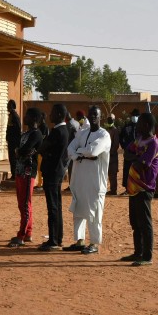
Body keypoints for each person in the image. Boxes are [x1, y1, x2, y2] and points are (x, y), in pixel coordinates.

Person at [66, 105, 111, 254]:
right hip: (79, 178)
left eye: (95, 115)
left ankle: (94, 243)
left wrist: (79, 153)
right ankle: (80, 240)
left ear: (100, 117)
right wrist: (78, 153)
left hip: (95, 181)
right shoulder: (82, 133)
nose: (92, 117)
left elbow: (94, 151)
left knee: (94, 213)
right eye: (90, 114)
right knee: (78, 210)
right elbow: (70, 149)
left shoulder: (104, 135)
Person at [123, 112, 158, 266]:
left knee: (145, 222)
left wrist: (134, 158)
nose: (136, 126)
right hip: (133, 186)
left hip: (145, 187)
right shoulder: (139, 139)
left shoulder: (153, 143)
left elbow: (143, 164)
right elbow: (126, 153)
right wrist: (135, 158)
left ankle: (147, 256)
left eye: (139, 123)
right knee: (135, 222)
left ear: (146, 125)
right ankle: (137, 252)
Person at [8, 107, 44, 248]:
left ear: (34, 119)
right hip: (20, 171)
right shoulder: (27, 133)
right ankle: (27, 232)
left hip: (28, 172)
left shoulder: (37, 134)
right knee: (22, 203)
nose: (25, 118)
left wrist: (20, 152)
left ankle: (22, 235)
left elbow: (24, 150)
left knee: (25, 204)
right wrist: (20, 152)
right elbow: (19, 150)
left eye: (28, 116)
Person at [37, 104, 71, 251]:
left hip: (52, 172)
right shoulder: (63, 130)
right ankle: (57, 238)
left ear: (58, 114)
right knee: (56, 206)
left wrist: (44, 152)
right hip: (57, 171)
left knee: (53, 207)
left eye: (52, 113)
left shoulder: (57, 132)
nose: (49, 115)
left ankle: (53, 240)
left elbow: (43, 147)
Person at [119, 108, 139, 193]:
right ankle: (127, 188)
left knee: (136, 171)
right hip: (128, 153)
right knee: (127, 170)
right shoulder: (127, 126)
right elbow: (121, 137)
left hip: (138, 154)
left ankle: (136, 188)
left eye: (135, 115)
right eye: (133, 115)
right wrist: (124, 146)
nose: (134, 117)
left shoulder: (141, 127)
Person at [104, 113, 120, 195]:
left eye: (111, 119)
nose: (109, 120)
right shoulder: (107, 130)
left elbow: (116, 144)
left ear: (113, 120)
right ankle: (111, 189)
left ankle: (114, 190)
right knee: (108, 173)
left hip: (112, 155)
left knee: (113, 173)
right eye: (108, 119)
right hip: (107, 154)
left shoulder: (115, 130)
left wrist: (111, 153)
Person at [5, 99, 22, 181]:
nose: (7, 107)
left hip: (14, 141)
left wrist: (17, 141)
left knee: (13, 158)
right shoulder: (11, 115)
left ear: (12, 106)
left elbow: (18, 129)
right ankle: (13, 174)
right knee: (11, 158)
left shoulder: (15, 116)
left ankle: (15, 175)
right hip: (11, 141)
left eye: (8, 105)